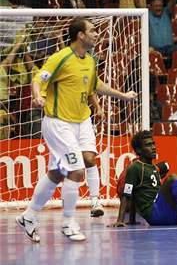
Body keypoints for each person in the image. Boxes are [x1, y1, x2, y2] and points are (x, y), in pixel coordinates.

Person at [16, 18, 137, 242]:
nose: (97, 34)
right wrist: (37, 95)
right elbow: (38, 78)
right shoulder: (60, 58)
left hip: (82, 122)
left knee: (58, 172)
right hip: (58, 123)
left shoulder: (89, 60)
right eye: (92, 31)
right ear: (80, 35)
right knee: (77, 169)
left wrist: (121, 96)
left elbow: (96, 85)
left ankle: (29, 215)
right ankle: (68, 223)